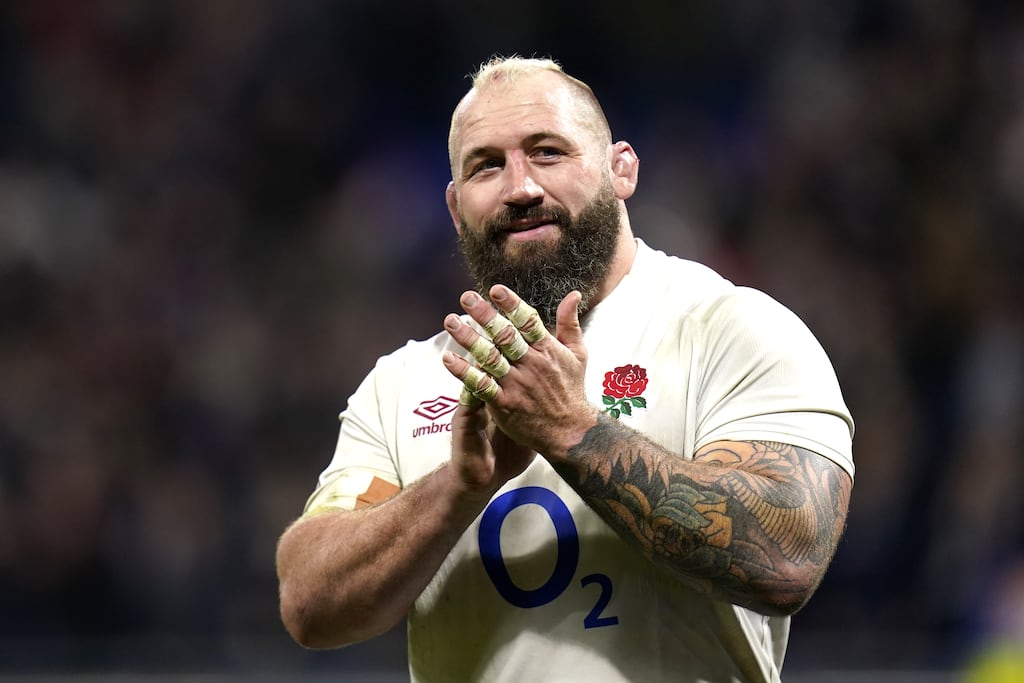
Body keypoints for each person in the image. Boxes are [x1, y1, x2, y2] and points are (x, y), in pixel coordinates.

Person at [276, 55, 855, 683]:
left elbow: (787, 557)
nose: (520, 188)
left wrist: (571, 430)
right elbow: (308, 605)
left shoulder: (730, 331)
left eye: (547, 152)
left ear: (620, 169)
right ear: (455, 207)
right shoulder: (404, 381)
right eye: (486, 166)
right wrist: (457, 488)